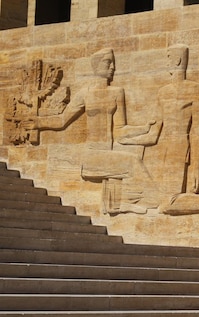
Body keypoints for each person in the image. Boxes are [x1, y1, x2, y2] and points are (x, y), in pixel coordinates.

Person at [27, 48, 160, 214]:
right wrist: (38, 123)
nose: (113, 67)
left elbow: (120, 130)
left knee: (132, 153)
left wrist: (144, 128)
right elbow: (62, 121)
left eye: (113, 63)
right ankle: (151, 200)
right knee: (132, 161)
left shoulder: (117, 93)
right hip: (91, 156)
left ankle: (118, 204)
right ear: (96, 66)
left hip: (107, 153)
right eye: (108, 62)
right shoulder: (85, 94)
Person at [142, 44, 199, 199]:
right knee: (159, 199)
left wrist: (197, 167)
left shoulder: (195, 89)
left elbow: (197, 129)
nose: (167, 62)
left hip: (179, 146)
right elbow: (153, 132)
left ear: (177, 60)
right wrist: (126, 140)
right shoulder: (163, 92)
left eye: (169, 58)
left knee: (171, 198)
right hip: (162, 147)